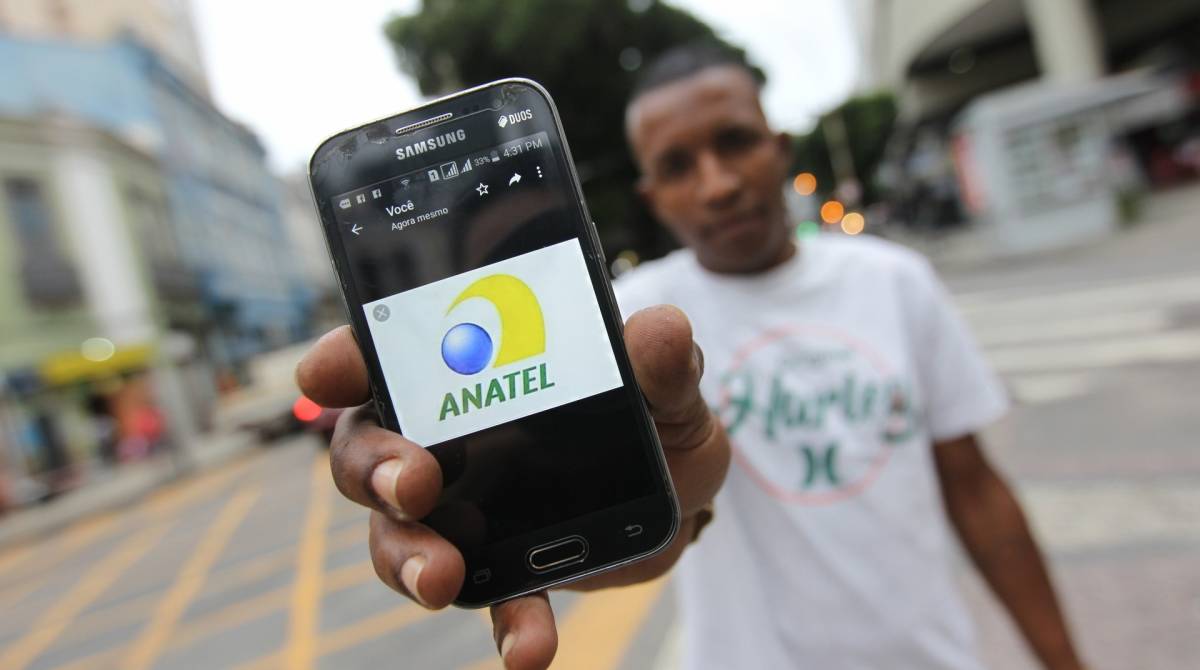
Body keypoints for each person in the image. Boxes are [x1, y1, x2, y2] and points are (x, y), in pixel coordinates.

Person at [296, 45, 1084, 670]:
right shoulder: (621, 318)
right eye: (678, 166)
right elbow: (628, 485)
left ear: (779, 149)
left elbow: (976, 491)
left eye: (735, 143)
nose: (716, 184)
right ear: (652, 196)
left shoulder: (897, 282)